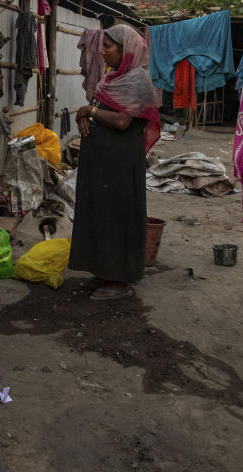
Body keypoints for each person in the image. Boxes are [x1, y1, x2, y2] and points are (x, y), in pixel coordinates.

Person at [70, 25, 161, 300]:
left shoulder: (137, 81)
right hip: (101, 164)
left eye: (108, 46)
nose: (102, 51)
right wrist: (86, 116)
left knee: (116, 217)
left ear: (126, 50)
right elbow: (100, 108)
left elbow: (122, 121)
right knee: (100, 215)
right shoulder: (112, 78)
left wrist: (88, 111)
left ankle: (119, 280)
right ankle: (102, 272)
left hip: (120, 165)